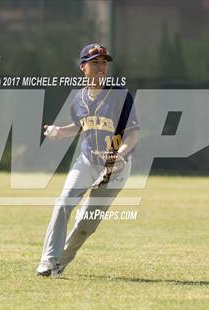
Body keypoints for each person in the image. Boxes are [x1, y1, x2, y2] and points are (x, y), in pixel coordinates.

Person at [37, 43, 140, 277]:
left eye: (104, 62)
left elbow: (133, 134)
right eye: (94, 62)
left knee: (86, 223)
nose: (101, 67)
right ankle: (47, 259)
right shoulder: (78, 99)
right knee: (63, 202)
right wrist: (60, 131)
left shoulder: (120, 95)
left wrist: (116, 157)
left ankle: (60, 262)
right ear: (83, 67)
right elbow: (81, 126)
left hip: (117, 167)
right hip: (87, 160)